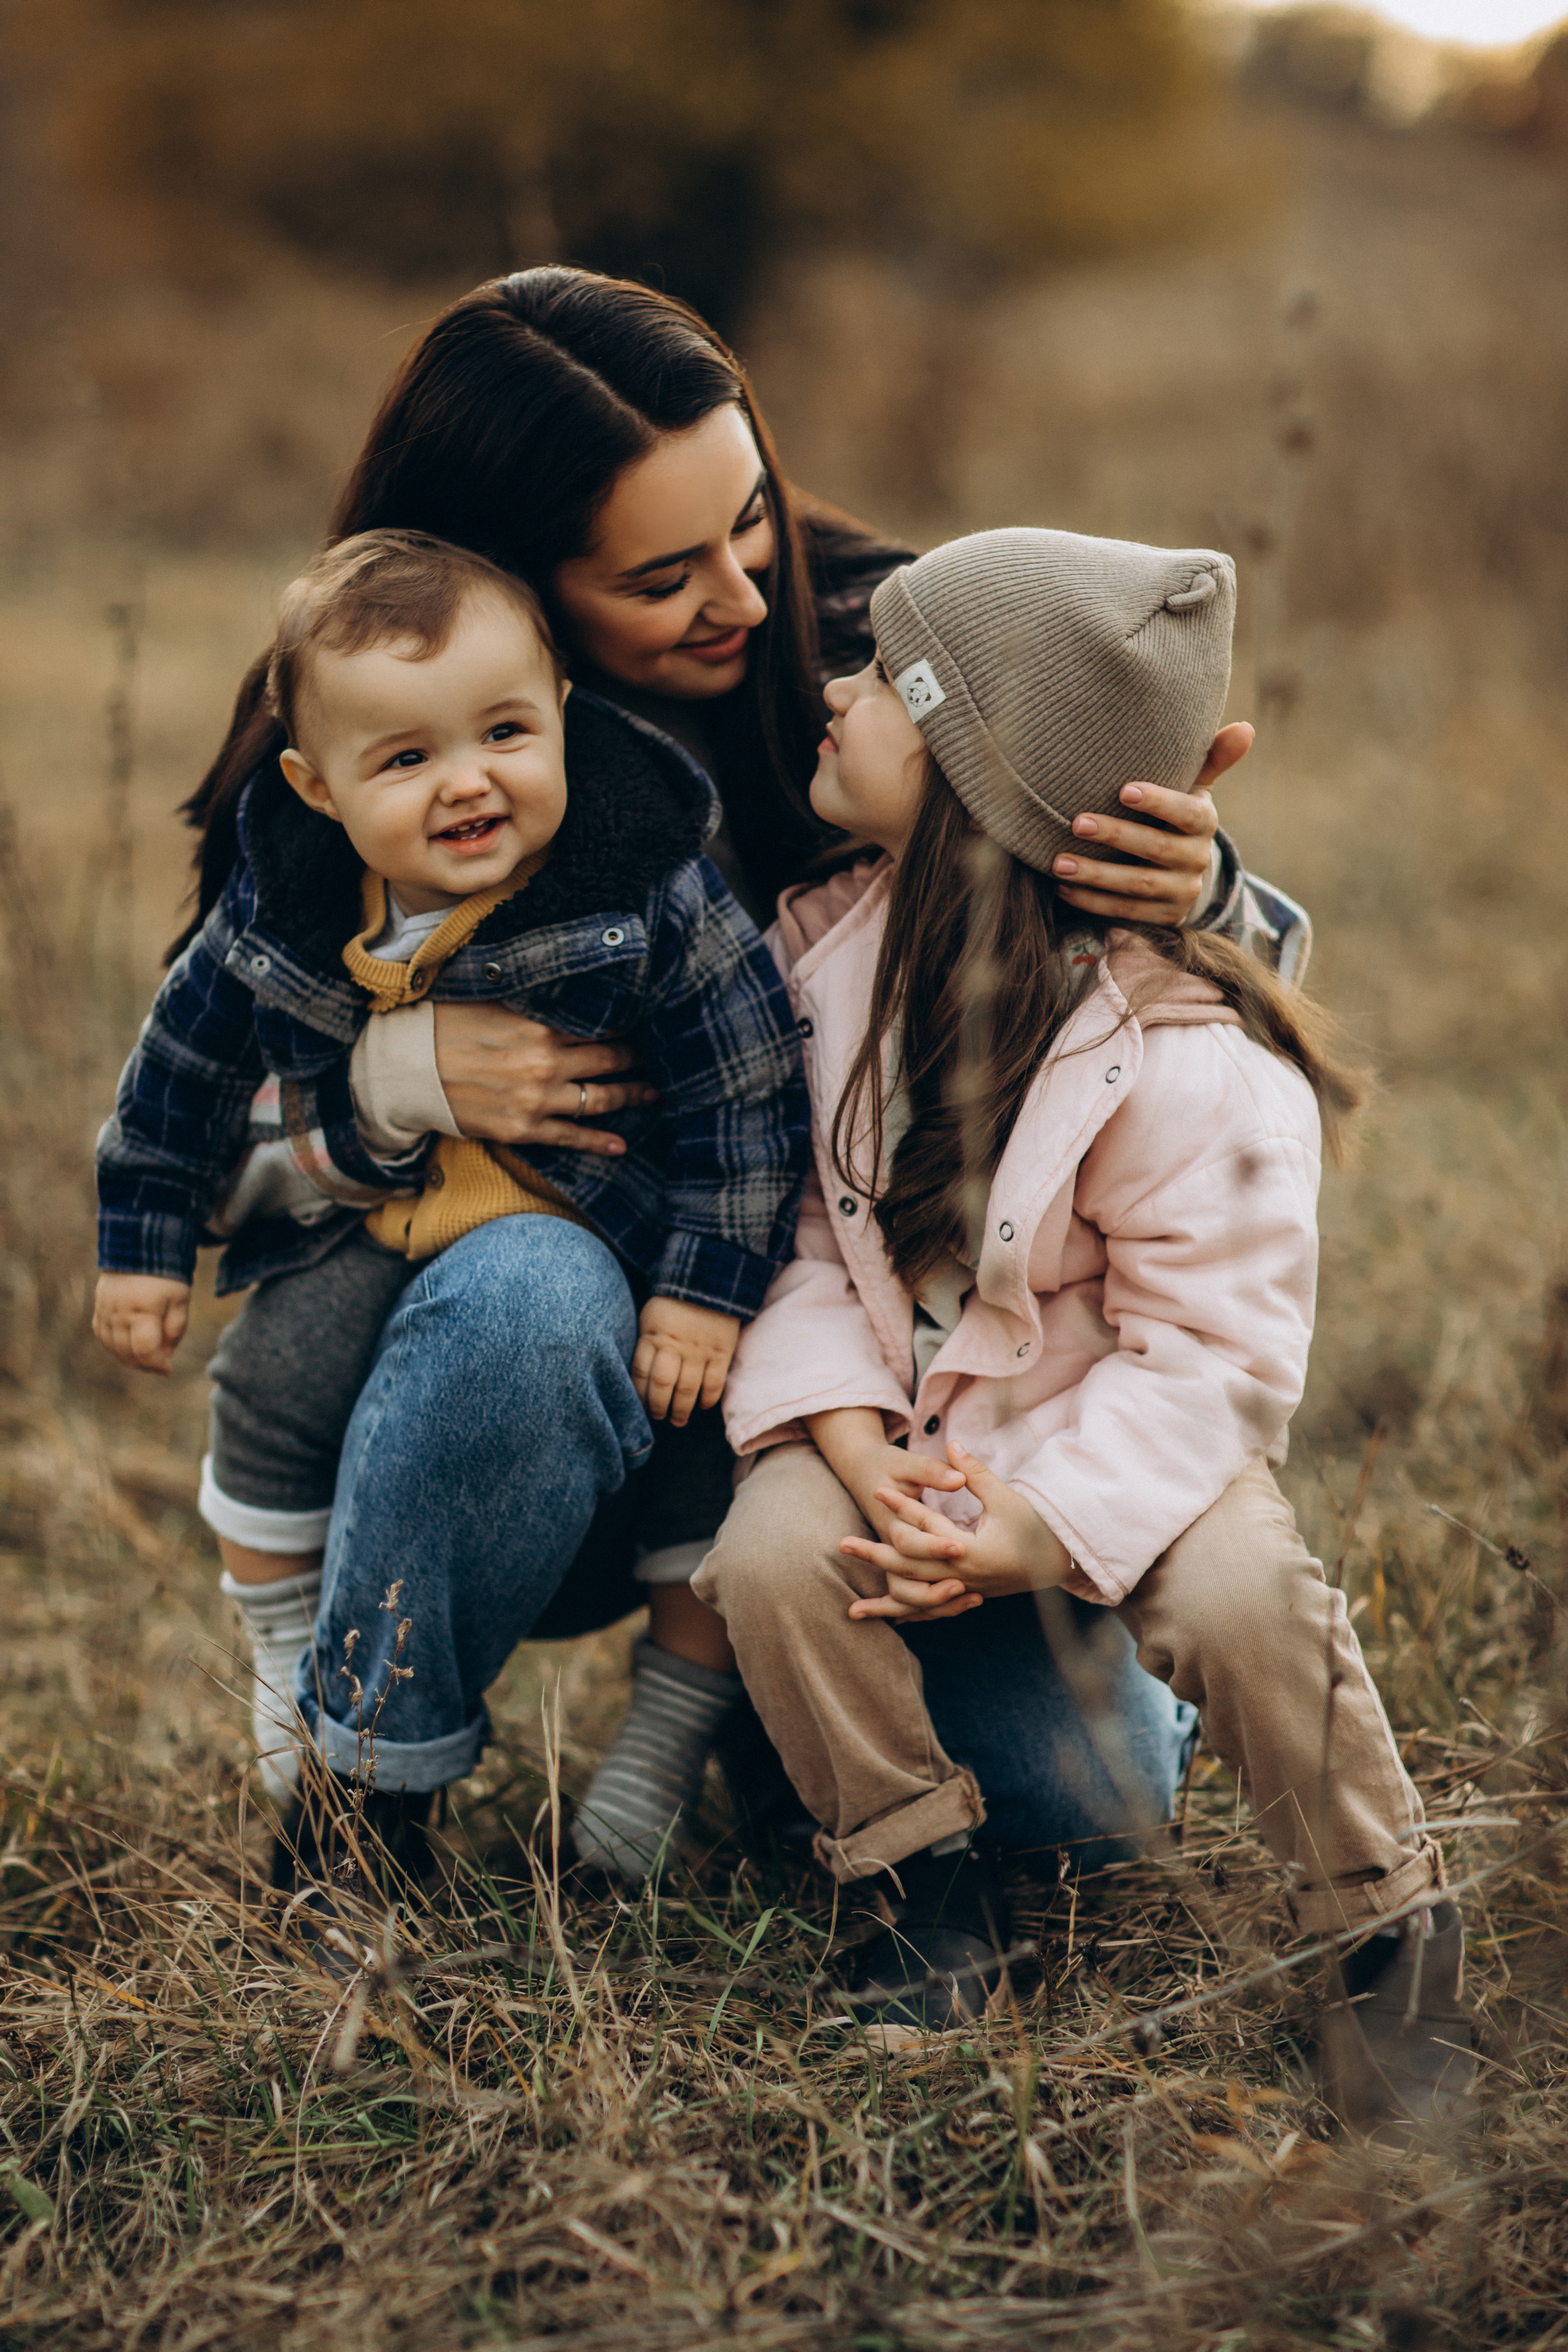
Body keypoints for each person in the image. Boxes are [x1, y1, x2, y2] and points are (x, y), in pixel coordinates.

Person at [170, 268, 1302, 1882]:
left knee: (1073, 1815)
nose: (746, 599)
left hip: (856, 1400)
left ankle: (768, 1719)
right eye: (663, 576)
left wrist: (1192, 892)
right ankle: (363, 1803)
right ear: (517, 584)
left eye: (750, 516)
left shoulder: (879, 649)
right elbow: (191, 1150)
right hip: (502, 1404)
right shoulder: (367, 718)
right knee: (532, 1292)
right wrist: (391, 1084)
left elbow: (1208, 1084)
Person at [693, 527, 1474, 2135]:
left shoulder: (1188, 1051)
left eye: (882, 678)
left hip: (1116, 1443)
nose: (832, 690)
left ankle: (1383, 1927)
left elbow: (1211, 1364)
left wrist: (1039, 1531)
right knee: (771, 1554)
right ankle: (912, 1882)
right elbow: (798, 1245)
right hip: (891, 1422)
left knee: (1248, 1597)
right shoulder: (820, 960)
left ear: (980, 775)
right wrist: (847, 1444)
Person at [93, 530, 810, 1837]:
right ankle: (294, 1660)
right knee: (266, 1386)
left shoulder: (641, 880)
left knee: (706, 1454)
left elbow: (749, 1087)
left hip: (614, 1252)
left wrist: (705, 1291)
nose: (468, 782)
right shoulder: (288, 897)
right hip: (372, 1230)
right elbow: (179, 1071)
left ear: (564, 714)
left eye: (505, 733)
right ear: (316, 788)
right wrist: (141, 1244)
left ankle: (669, 1730)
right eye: (406, 759)